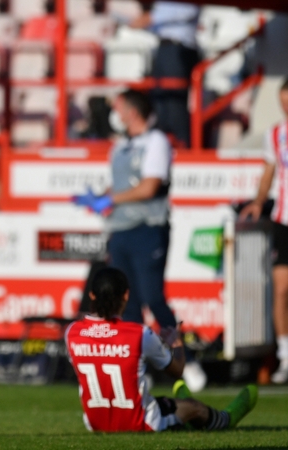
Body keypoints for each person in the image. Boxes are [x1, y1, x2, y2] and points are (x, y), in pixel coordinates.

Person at [72, 89, 208, 392]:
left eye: (119, 109)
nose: (115, 115)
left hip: (148, 227)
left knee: (153, 297)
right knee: (127, 302)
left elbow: (149, 187)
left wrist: (110, 198)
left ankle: (186, 360)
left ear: (132, 112)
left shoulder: (156, 142)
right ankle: (136, 368)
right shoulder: (120, 147)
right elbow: (120, 185)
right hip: (120, 230)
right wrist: (99, 197)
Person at [65, 267, 258, 432]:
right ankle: (225, 420)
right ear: (126, 295)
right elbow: (177, 371)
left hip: (95, 423)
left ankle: (182, 415)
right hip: (140, 423)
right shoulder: (139, 334)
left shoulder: (72, 332)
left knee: (161, 402)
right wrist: (177, 345)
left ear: (91, 296)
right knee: (195, 408)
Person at [239, 78, 288, 384]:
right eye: (283, 102)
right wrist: (259, 200)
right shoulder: (277, 135)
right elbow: (270, 169)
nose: (287, 108)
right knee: (282, 289)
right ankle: (286, 358)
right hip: (286, 221)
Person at [129, 1, 200, 147]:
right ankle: (161, 148)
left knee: (174, 105)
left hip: (179, 48)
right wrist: (143, 22)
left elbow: (188, 10)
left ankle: (182, 149)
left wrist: (151, 18)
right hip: (164, 48)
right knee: (160, 105)